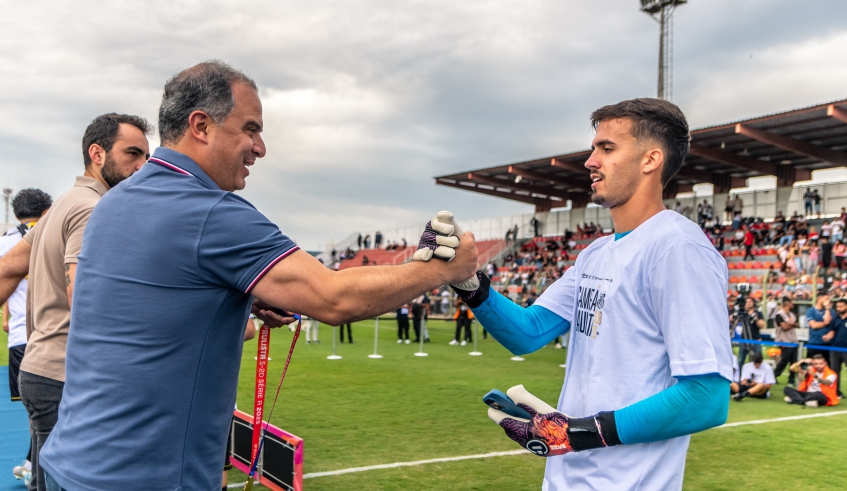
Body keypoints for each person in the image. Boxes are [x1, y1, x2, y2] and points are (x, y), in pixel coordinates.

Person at [22, 61, 478, 491]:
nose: (260, 147)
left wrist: (232, 296)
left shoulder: (113, 203)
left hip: (74, 459)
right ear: (201, 126)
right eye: (251, 129)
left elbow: (143, 298)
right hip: (147, 473)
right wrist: (443, 268)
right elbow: (334, 299)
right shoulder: (210, 212)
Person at [445, 99, 732, 490]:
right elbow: (528, 333)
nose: (590, 161)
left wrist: (579, 432)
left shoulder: (677, 248)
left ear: (651, 160)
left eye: (607, 148)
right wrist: (468, 282)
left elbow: (706, 397)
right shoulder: (596, 252)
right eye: (594, 147)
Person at [0, 114, 151, 491]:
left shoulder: (65, 203)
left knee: (45, 483)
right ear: (97, 153)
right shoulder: (93, 208)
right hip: (68, 376)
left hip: (42, 369)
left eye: (147, 156)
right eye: (132, 153)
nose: (142, 166)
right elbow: (86, 301)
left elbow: (6, 269)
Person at [1, 189, 52, 485]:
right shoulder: (51, 233)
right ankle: (35, 464)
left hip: (19, 339)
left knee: (33, 412)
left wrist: (6, 317)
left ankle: (33, 463)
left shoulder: (5, 241)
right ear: (46, 211)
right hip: (50, 335)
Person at [731, 297, 764, 367]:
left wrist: (756, 318)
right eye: (747, 302)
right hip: (744, 340)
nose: (748, 303)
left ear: (754, 303)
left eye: (750, 302)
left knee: (757, 359)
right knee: (740, 360)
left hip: (755, 339)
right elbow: (734, 324)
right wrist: (733, 319)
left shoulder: (758, 313)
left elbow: (762, 325)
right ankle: (739, 376)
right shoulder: (741, 314)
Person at [773, 298, 799, 386]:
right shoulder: (779, 315)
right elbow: (784, 327)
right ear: (788, 304)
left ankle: (791, 380)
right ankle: (773, 375)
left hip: (793, 341)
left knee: (794, 361)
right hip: (784, 341)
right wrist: (792, 324)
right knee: (784, 360)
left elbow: (798, 324)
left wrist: (791, 324)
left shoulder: (791, 314)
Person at [805, 293, 835, 360]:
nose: (828, 301)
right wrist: (825, 323)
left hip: (828, 344)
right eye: (826, 299)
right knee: (810, 365)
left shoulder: (831, 311)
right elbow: (814, 325)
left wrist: (827, 309)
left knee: (829, 366)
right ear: (819, 299)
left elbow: (829, 323)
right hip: (814, 343)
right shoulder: (811, 311)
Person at [828, 298, 847, 398]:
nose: (838, 308)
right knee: (834, 372)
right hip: (835, 348)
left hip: (846, 349)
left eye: (841, 306)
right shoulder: (835, 318)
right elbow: (832, 330)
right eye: (837, 307)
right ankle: (836, 392)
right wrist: (828, 336)